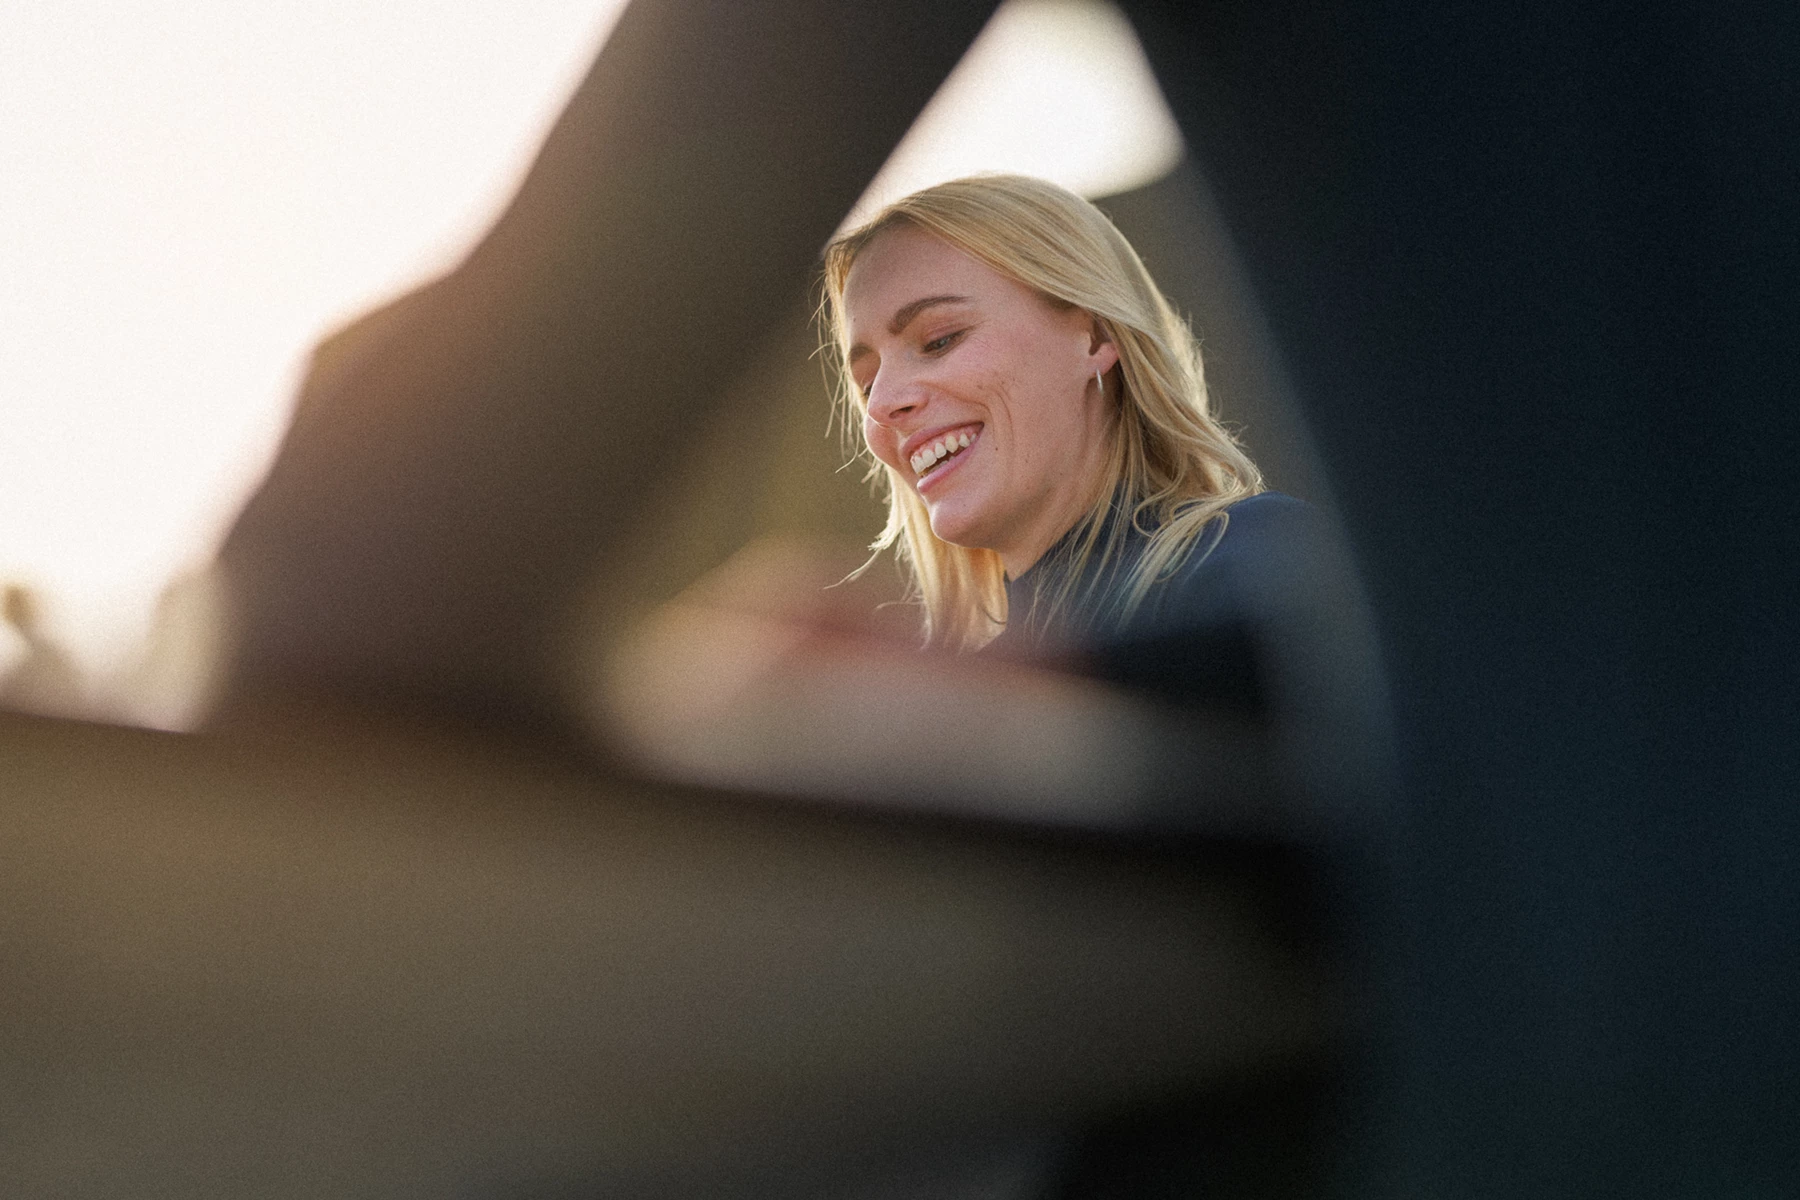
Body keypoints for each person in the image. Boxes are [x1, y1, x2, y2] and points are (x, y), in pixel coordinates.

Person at [821, 173, 1326, 690]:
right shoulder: (958, 702)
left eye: (939, 340)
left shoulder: (1265, 558)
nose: (882, 405)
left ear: (1095, 336)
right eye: (865, 384)